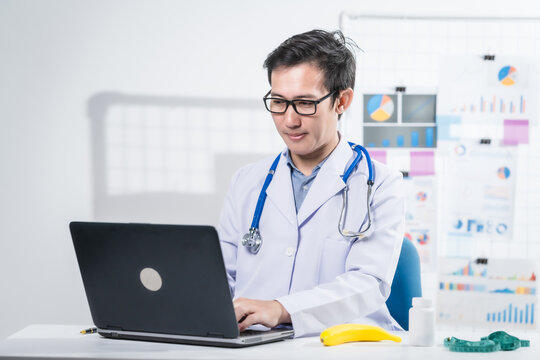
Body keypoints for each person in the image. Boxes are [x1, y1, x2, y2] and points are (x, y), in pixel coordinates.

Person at [217, 29, 405, 338]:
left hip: (338, 344)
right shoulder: (247, 182)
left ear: (341, 101)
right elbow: (220, 278)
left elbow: (369, 283)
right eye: (278, 102)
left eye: (304, 103)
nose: (289, 120)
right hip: (253, 343)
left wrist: (281, 309)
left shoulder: (380, 185)